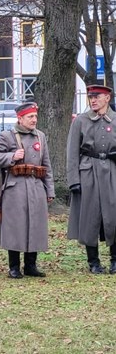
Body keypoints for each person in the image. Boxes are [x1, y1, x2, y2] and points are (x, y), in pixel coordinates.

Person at [0, 102, 55, 278]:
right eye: (30, 117)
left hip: (35, 185)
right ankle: (14, 267)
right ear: (20, 118)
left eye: (35, 116)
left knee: (35, 225)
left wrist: (50, 190)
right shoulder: (7, 136)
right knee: (15, 227)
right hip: (15, 186)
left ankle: (30, 265)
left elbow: (46, 164)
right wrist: (11, 156)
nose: (34, 120)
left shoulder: (40, 137)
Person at [67, 85, 116, 274]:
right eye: (90, 97)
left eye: (97, 96)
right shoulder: (80, 121)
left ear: (107, 98)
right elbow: (72, 152)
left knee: (114, 215)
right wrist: (74, 180)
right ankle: (93, 261)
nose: (93, 100)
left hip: (112, 170)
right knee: (89, 217)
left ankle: (114, 259)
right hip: (88, 171)